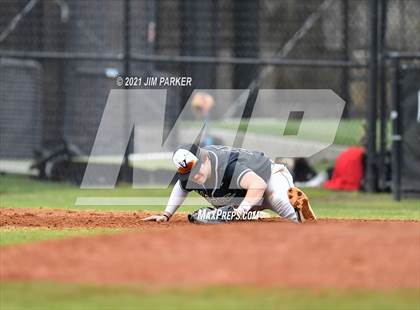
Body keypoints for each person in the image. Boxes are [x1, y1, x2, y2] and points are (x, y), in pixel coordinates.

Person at [142, 144, 316, 224]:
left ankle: (303, 218)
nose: (193, 177)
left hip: (268, 178)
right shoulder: (192, 174)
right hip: (242, 196)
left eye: (195, 171)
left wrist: (241, 211)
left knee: (279, 200)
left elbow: (258, 185)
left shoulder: (225, 165)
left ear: (206, 159)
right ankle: (255, 215)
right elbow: (181, 187)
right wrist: (166, 214)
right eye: (188, 174)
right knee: (215, 214)